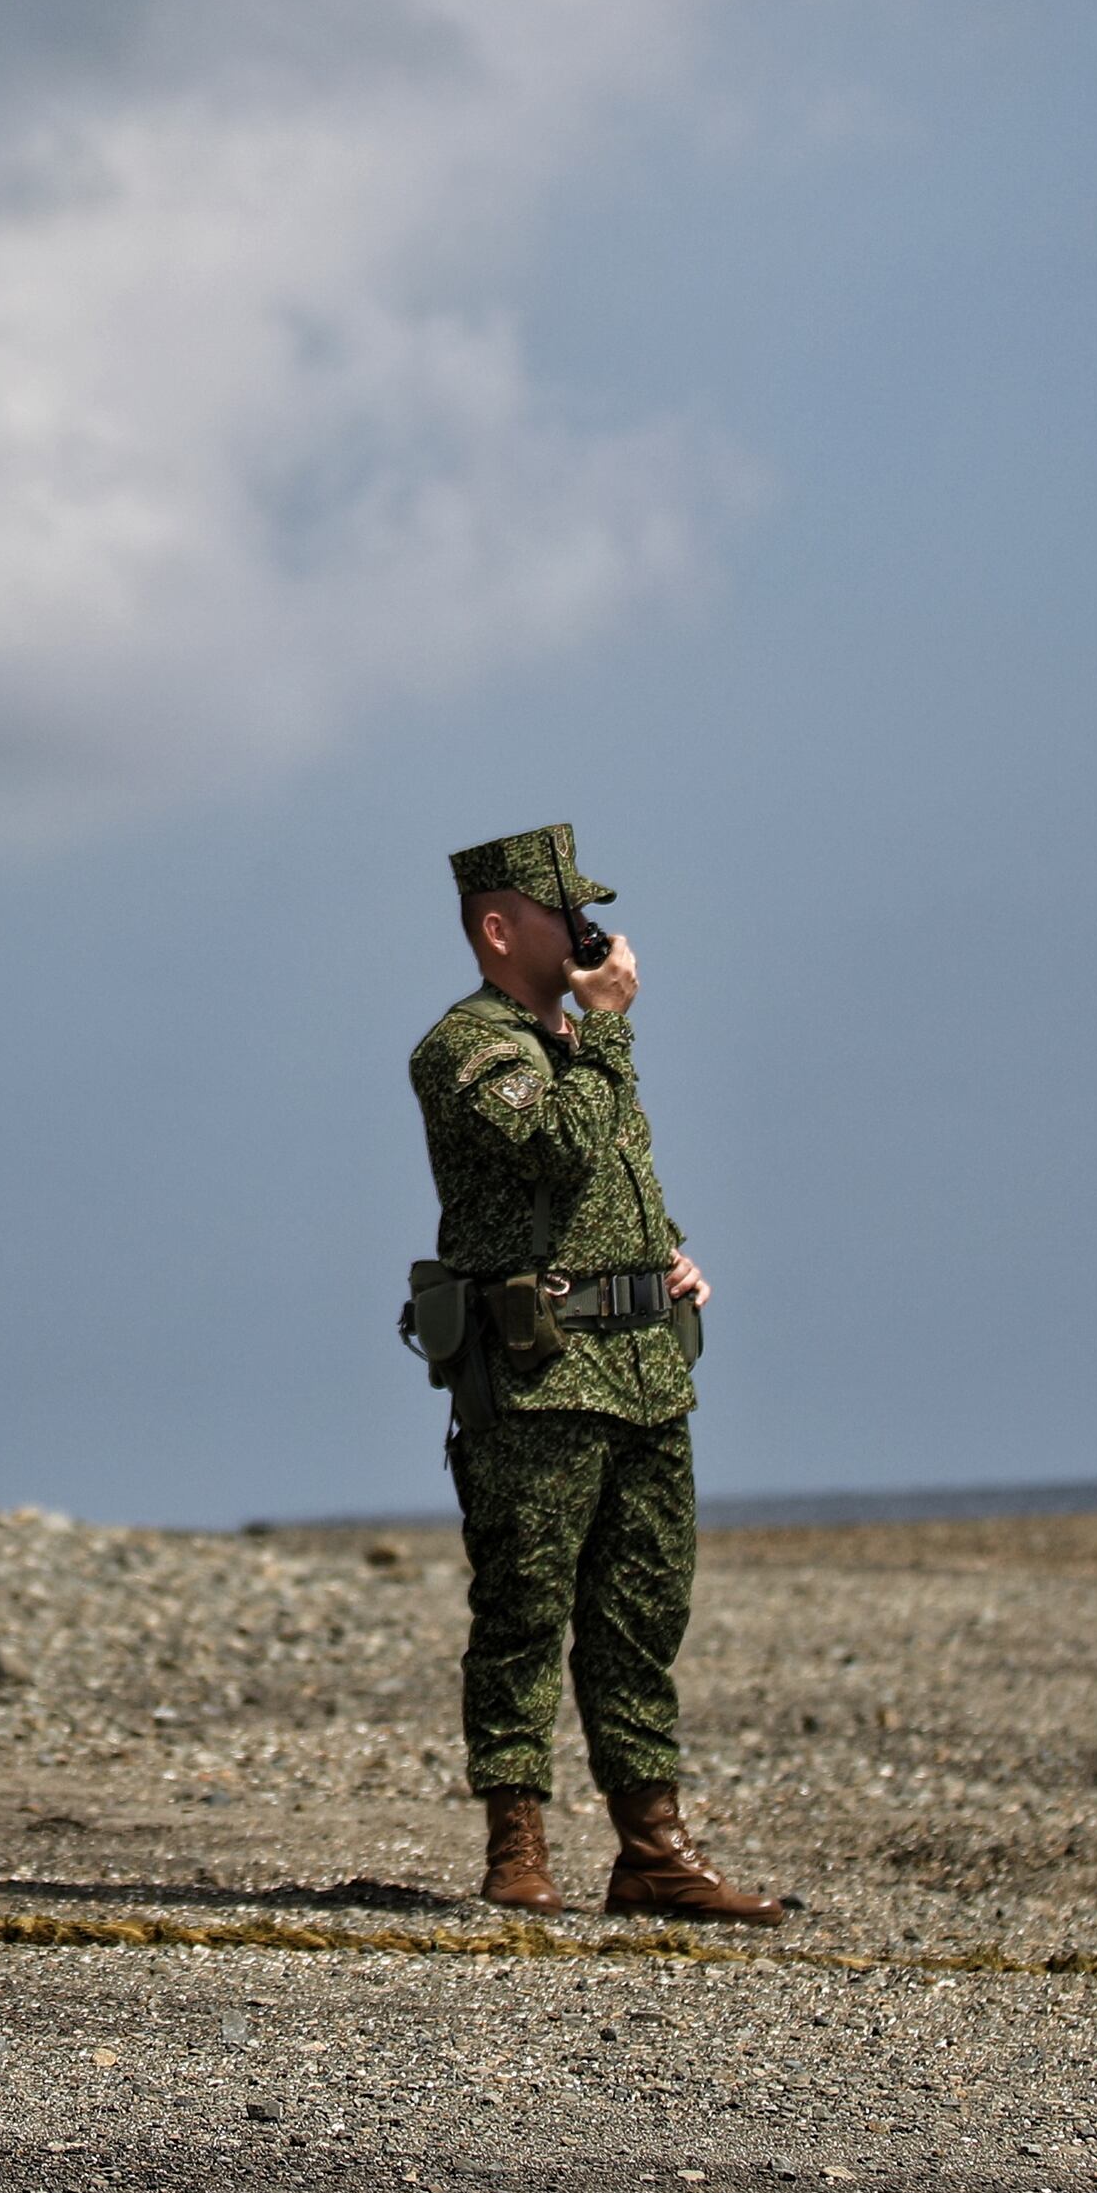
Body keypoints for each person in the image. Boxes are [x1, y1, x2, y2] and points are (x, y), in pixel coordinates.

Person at [405, 824, 782, 1923]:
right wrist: (608, 1029)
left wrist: (667, 1251)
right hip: (538, 1379)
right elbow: (555, 1151)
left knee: (640, 1613)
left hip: (643, 1373)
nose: (589, 933)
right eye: (564, 914)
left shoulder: (576, 1046)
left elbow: (610, 1177)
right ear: (496, 926)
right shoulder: (468, 1049)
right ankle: (515, 1847)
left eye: (588, 915)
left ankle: (651, 1847)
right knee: (523, 1609)